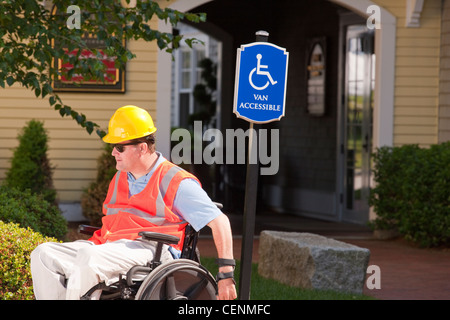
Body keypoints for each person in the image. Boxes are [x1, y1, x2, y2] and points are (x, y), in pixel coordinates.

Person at [30, 105, 237, 300]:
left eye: (119, 147)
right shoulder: (121, 177)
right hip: (108, 246)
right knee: (43, 254)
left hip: (151, 249)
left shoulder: (175, 180)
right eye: (113, 147)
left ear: (142, 148)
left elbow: (220, 222)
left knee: (88, 257)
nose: (113, 153)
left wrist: (226, 275)